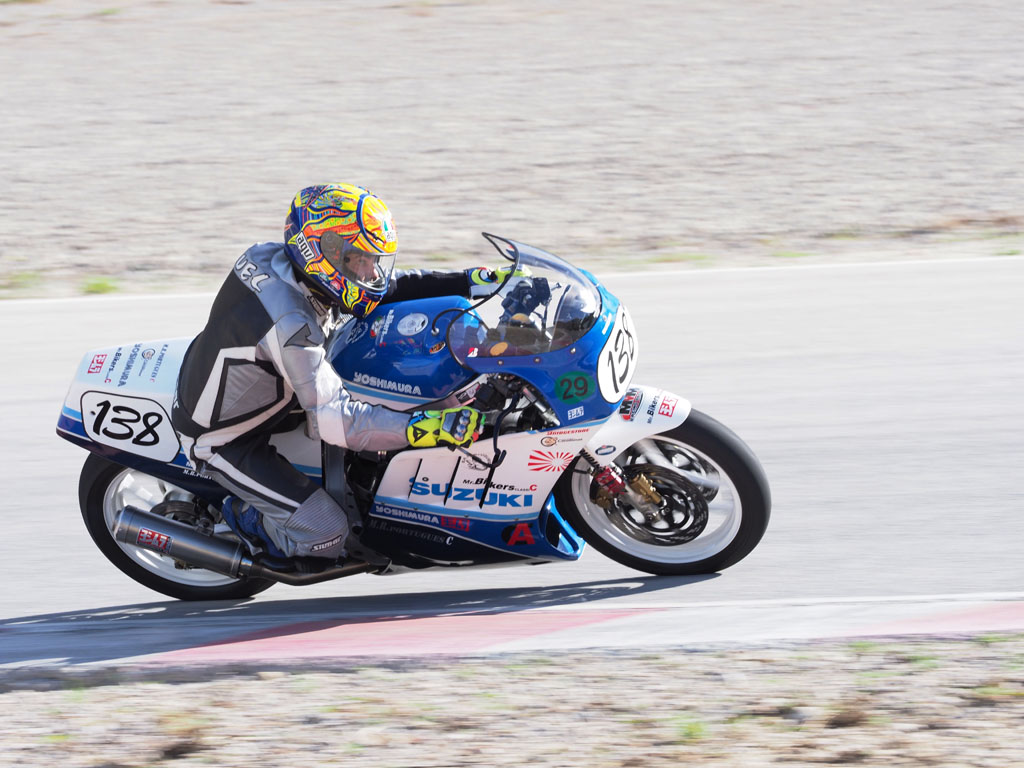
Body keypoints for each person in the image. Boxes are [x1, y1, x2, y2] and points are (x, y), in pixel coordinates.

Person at [171, 183, 503, 567]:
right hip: (226, 438)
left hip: (254, 379)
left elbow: (386, 288)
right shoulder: (293, 326)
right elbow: (336, 420)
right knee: (327, 535)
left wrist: (470, 281)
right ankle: (240, 516)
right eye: (359, 260)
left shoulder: (273, 256)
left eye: (374, 260)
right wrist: (422, 428)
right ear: (322, 253)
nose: (372, 272)